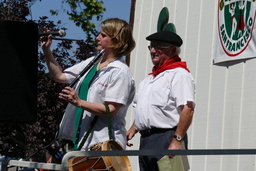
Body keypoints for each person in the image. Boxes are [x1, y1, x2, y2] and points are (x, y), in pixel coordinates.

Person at [41, 18, 136, 151]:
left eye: (103, 35)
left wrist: (79, 102)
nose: (97, 38)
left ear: (116, 41)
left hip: (104, 144)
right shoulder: (93, 62)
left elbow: (111, 110)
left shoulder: (120, 72)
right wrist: (47, 51)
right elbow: (59, 76)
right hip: (82, 142)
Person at [126, 30, 195, 171]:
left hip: (166, 137)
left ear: (173, 50)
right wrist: (133, 129)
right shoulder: (148, 80)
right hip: (146, 140)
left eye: (158, 46)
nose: (152, 50)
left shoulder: (179, 75)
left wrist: (177, 140)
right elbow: (146, 109)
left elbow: (188, 109)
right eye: (151, 46)